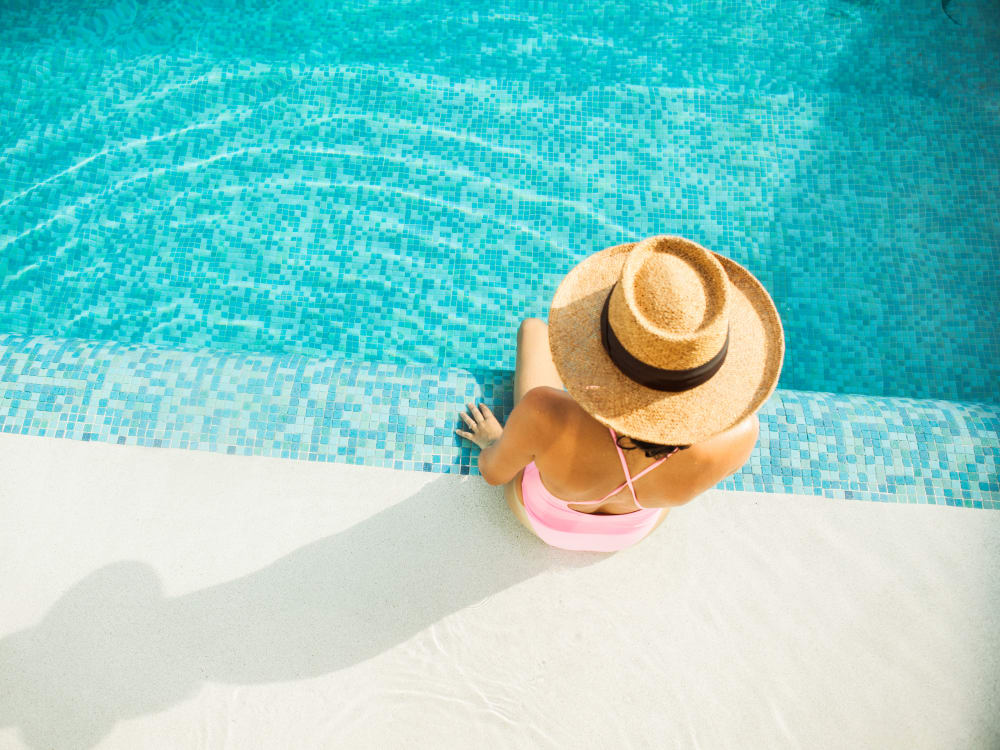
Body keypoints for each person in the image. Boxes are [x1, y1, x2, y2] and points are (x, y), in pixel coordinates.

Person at [456, 235, 785, 553]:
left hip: (548, 523)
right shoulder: (742, 434)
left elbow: (494, 473)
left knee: (533, 330)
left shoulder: (545, 413)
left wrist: (493, 441)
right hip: (633, 530)